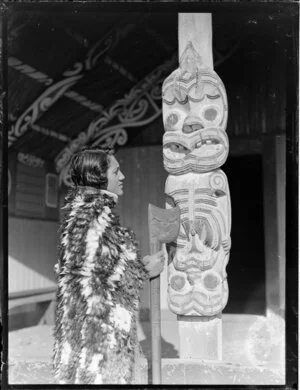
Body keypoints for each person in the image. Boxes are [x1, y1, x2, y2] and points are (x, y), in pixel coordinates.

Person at [53, 147, 165, 384]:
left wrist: (135, 266)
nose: (122, 176)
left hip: (94, 337)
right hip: (98, 344)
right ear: (98, 177)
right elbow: (96, 278)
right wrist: (145, 270)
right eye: (116, 171)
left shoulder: (86, 214)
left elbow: (101, 267)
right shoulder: (90, 218)